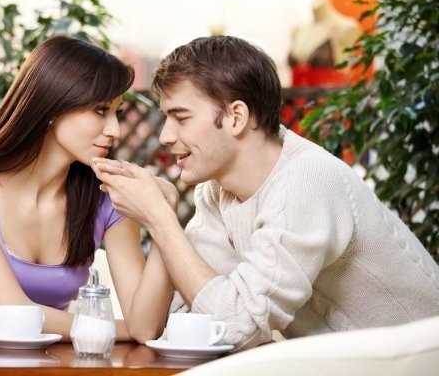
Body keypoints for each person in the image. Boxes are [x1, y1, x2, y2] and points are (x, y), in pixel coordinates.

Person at [92, 35, 439, 350]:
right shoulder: (217, 192)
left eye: (181, 118)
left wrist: (160, 219)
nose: (165, 136)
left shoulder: (306, 181)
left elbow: (235, 325)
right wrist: (162, 212)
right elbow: (188, 321)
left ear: (236, 117)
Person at [0, 35, 173, 342]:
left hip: (49, 364)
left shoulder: (107, 197)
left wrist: (163, 216)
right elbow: (11, 312)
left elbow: (145, 327)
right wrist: (115, 329)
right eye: (100, 110)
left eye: (117, 113)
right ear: (54, 106)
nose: (115, 130)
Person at [288, 0, 360, 87]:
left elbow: (353, 61)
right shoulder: (299, 30)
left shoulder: (345, 27)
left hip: (331, 93)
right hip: (296, 93)